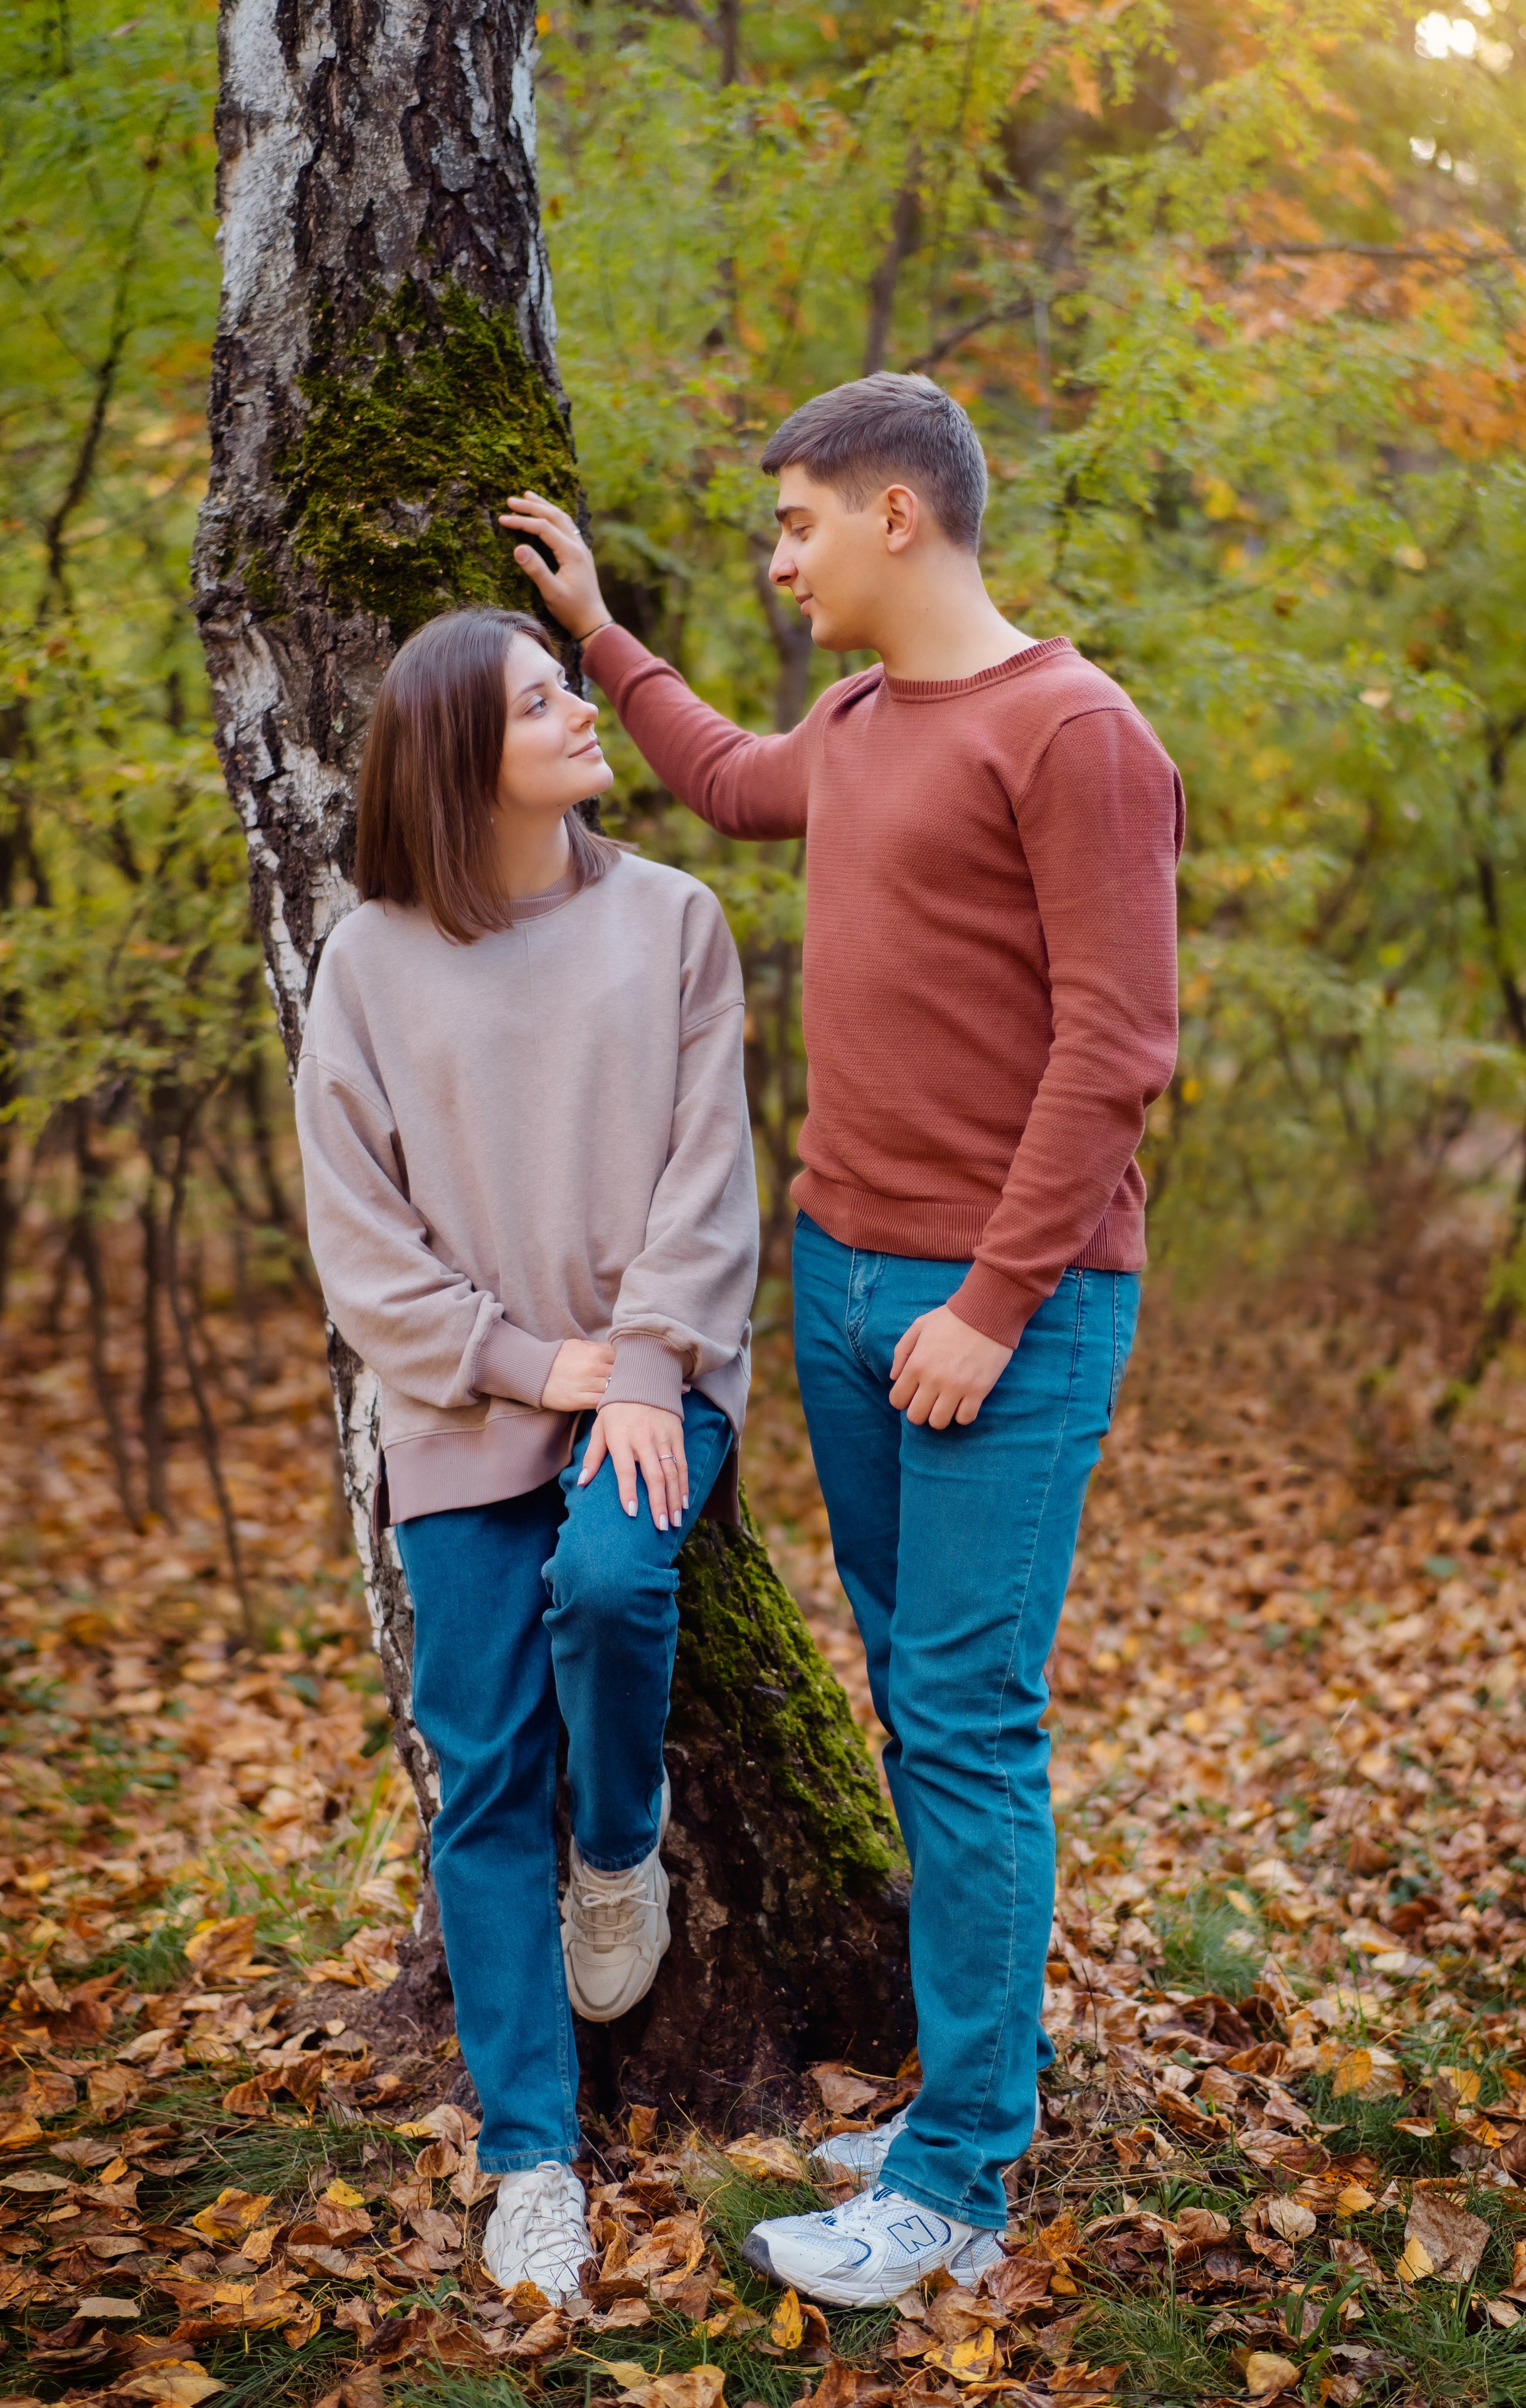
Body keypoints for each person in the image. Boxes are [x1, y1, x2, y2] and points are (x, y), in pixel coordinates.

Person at [502, 370, 1182, 2308]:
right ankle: (979, 2094)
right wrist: (595, 635)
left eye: (796, 523)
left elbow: (1117, 1052)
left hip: (1009, 1316)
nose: (781, 559)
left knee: (968, 1729)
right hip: (851, 1288)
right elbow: (724, 778)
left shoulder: (1075, 733)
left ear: (899, 514)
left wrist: (989, 1301)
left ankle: (957, 2187)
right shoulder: (867, 721)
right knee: (912, 1707)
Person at [294, 608, 758, 2303]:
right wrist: (527, 1361)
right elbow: (363, 1244)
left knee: (620, 1585)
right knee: (483, 1775)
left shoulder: (672, 923)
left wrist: (636, 1365)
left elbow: (709, 1178)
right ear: (456, 761)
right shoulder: (373, 962)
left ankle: (621, 1845)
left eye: (568, 688)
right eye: (540, 701)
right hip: (464, 1411)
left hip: (657, 1383)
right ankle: (531, 2163)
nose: (581, 713)